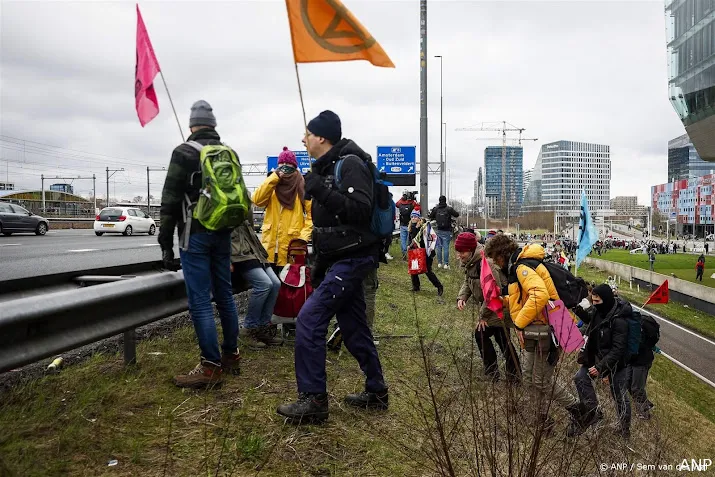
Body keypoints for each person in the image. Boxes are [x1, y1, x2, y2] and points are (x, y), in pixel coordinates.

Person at [276, 110, 387, 423]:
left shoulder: (349, 163)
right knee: (353, 328)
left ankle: (313, 400)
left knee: (310, 319)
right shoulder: (325, 168)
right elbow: (329, 224)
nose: (303, 138)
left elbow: (360, 210)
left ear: (321, 137)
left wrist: (320, 189)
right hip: (340, 259)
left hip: (354, 258)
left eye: (307, 133)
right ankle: (377, 391)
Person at [158, 100, 241, 388]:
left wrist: (165, 243)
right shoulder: (229, 152)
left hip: (194, 234)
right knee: (225, 295)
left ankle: (210, 367)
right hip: (223, 232)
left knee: (201, 302)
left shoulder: (183, 152)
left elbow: (169, 201)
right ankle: (231, 355)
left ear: (192, 125)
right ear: (214, 125)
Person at [484, 235, 584, 434]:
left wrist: (519, 322)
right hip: (544, 328)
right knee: (530, 378)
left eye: (495, 258)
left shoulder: (521, 268)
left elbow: (539, 295)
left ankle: (582, 411)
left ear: (502, 254)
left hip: (548, 330)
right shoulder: (519, 268)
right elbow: (523, 297)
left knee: (540, 381)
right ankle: (542, 421)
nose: (495, 263)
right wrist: (502, 299)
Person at [455, 232, 520, 383]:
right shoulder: (470, 262)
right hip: (490, 308)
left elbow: (493, 292)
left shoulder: (486, 263)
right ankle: (497, 374)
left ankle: (512, 377)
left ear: (471, 250)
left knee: (500, 341)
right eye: (458, 252)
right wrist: (462, 297)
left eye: (462, 252)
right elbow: (468, 281)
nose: (459, 255)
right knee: (497, 340)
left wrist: (482, 316)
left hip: (498, 309)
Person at [569, 284, 632, 439]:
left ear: (606, 300)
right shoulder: (598, 310)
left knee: (619, 396)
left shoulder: (619, 321)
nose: (595, 304)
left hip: (617, 364)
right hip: (596, 357)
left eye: (597, 301)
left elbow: (618, 349)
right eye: (594, 301)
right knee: (580, 378)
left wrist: (601, 367)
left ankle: (624, 430)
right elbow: (590, 319)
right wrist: (577, 310)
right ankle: (593, 412)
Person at [230, 204, 284, 349]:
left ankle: (262, 327)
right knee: (264, 284)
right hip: (237, 253)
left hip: (254, 249)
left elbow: (250, 224)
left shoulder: (242, 194)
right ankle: (249, 328)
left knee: (276, 284)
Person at [252, 147, 313, 270]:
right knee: (271, 286)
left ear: (294, 166)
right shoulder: (272, 184)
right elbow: (257, 200)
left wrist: (303, 237)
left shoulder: (301, 185)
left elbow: (313, 215)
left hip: (291, 248)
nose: (284, 166)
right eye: (281, 164)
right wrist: (273, 178)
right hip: (269, 249)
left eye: (288, 164)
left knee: (289, 286)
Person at [408, 211, 443, 296]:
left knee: (427, 270)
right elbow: (410, 239)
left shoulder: (424, 228)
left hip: (425, 252)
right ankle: (416, 286)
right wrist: (409, 246)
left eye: (415, 217)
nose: (413, 218)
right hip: (415, 252)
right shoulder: (410, 227)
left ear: (419, 218)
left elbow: (427, 241)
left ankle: (439, 286)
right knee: (414, 269)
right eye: (412, 217)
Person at [429, 195, 459, 269]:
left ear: (439, 201)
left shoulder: (435, 209)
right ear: (445, 201)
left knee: (439, 247)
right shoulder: (449, 209)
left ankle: (439, 263)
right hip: (447, 231)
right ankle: (446, 264)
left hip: (438, 230)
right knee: (446, 247)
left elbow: (430, 216)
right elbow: (457, 214)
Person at [396, 191, 420, 260]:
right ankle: (410, 254)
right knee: (410, 240)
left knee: (403, 240)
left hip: (402, 224)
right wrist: (414, 199)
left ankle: (404, 254)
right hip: (410, 225)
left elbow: (396, 204)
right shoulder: (412, 203)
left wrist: (402, 198)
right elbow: (418, 208)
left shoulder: (400, 203)